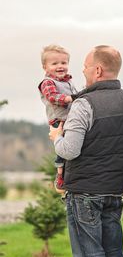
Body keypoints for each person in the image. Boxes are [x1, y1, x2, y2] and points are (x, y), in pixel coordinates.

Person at [49, 45, 123, 257]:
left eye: (86, 67)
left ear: (97, 70)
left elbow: (70, 150)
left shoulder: (84, 105)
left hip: (85, 193)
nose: (83, 72)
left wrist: (56, 137)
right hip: (114, 192)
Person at [39, 44, 78, 193]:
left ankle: (70, 173)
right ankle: (60, 176)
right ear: (45, 67)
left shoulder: (68, 82)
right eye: (54, 63)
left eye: (63, 63)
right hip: (58, 121)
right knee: (63, 149)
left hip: (70, 119)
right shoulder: (48, 83)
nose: (60, 66)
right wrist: (69, 98)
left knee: (73, 146)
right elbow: (53, 97)